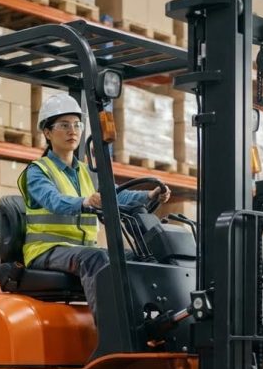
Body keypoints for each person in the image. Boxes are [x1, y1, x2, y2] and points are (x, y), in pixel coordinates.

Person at [17, 94, 170, 315]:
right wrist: (84, 201)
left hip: (79, 251)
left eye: (77, 125)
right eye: (64, 125)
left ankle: (148, 322)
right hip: (45, 251)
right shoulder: (37, 171)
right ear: (48, 132)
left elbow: (115, 196)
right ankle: (111, 331)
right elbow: (53, 200)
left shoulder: (87, 172)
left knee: (139, 257)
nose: (73, 131)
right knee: (95, 258)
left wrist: (149, 195)